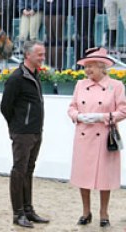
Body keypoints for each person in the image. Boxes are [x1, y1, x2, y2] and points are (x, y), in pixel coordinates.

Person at [68, 47, 126, 228]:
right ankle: (86, 212)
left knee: (104, 178)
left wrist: (103, 117)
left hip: (105, 137)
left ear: (102, 67)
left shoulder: (116, 86)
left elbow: (123, 111)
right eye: (85, 66)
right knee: (83, 176)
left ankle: (104, 213)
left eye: (90, 66)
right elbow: (71, 107)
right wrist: (78, 116)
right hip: (84, 136)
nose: (87, 70)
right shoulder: (80, 85)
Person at [0, 40, 49, 228]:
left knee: (28, 170)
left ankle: (28, 210)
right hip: (23, 132)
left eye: (43, 54)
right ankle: (18, 213)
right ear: (28, 55)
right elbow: (5, 106)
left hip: (35, 131)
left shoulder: (34, 75)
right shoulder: (17, 78)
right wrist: (17, 126)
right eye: (40, 55)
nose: (43, 58)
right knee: (19, 170)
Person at [72, 0, 104, 68]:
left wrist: (99, 7)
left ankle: (89, 61)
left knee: (86, 34)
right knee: (80, 35)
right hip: (77, 5)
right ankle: (80, 61)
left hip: (89, 4)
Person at [44, 0, 69, 70]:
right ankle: (49, 66)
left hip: (60, 10)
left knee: (58, 40)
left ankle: (58, 67)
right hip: (48, 10)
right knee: (49, 41)